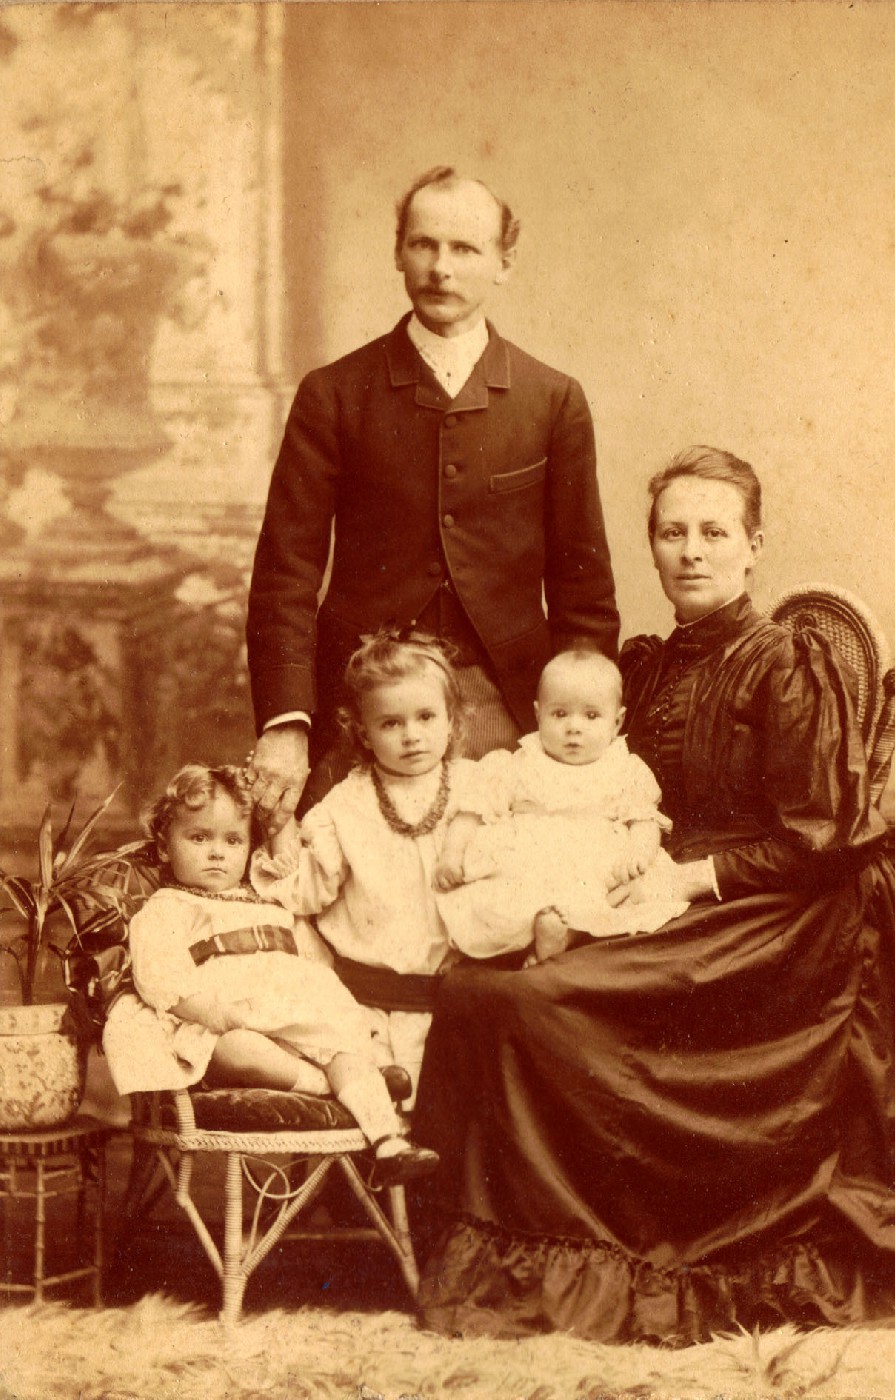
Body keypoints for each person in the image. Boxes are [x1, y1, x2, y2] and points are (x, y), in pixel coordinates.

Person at [411, 446, 895, 1346]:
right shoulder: (639, 669)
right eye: (671, 532)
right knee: (475, 983)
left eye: (713, 532)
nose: (691, 551)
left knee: (535, 1000)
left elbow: (820, 837)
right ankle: (520, 1243)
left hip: (789, 916)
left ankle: (612, 1257)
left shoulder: (785, 663)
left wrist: (691, 875)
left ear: (753, 546)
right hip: (663, 894)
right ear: (650, 546)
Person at [245, 165, 620, 830]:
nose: (440, 268)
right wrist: (287, 721)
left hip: (504, 702)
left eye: (465, 249)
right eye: (423, 245)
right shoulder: (333, 393)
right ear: (397, 252)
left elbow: (580, 586)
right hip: (360, 706)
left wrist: (582, 732)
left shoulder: (551, 400)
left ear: (504, 263)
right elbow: (285, 573)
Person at [102, 763, 438, 1188]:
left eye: (233, 840)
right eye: (199, 837)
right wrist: (212, 1011)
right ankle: (333, 1086)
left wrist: (327, 1001)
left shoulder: (269, 900)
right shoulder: (171, 906)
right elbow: (158, 974)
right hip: (227, 1022)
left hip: (298, 1020)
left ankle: (388, 1142)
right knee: (238, 1049)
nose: (217, 852)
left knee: (343, 1051)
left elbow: (314, 960)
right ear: (166, 847)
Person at [251, 631, 475, 1099]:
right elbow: (310, 888)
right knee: (375, 1113)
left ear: (452, 722)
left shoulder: (480, 791)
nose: (412, 735)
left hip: (454, 1003)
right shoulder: (346, 806)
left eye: (426, 717)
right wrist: (278, 829)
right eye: (391, 723)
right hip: (368, 1002)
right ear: (364, 734)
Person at [433, 648, 687, 962]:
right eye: (560, 714)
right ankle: (537, 941)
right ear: (539, 714)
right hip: (527, 862)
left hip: (595, 863)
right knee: (499, 899)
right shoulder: (518, 762)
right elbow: (474, 809)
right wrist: (452, 854)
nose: (573, 728)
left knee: (619, 894)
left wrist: (638, 853)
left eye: (591, 716)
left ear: (617, 721)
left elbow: (644, 820)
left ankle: (561, 935)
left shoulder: (625, 768)